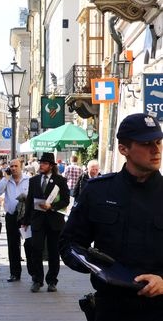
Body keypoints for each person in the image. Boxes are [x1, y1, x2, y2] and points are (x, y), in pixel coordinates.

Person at [60, 113, 163, 320]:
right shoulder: (98, 191)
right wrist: (99, 268)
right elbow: (69, 244)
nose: (156, 149)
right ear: (124, 149)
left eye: (159, 141)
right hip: (111, 308)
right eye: (146, 143)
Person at [23, 152, 70, 293]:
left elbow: (66, 201)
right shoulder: (34, 180)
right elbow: (29, 201)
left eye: (44, 163)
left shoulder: (60, 180)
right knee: (36, 249)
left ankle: (52, 281)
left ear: (50, 166)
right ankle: (37, 280)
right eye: (40, 163)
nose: (41, 165)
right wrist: (25, 220)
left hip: (54, 221)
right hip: (38, 221)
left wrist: (52, 207)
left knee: (54, 252)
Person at [0, 159, 31, 282]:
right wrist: (6, 178)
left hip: (25, 217)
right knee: (13, 245)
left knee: (29, 244)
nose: (14, 168)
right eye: (11, 166)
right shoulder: (7, 180)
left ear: (21, 167)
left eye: (16, 166)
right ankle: (15, 273)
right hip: (11, 216)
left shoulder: (28, 180)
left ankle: (34, 272)